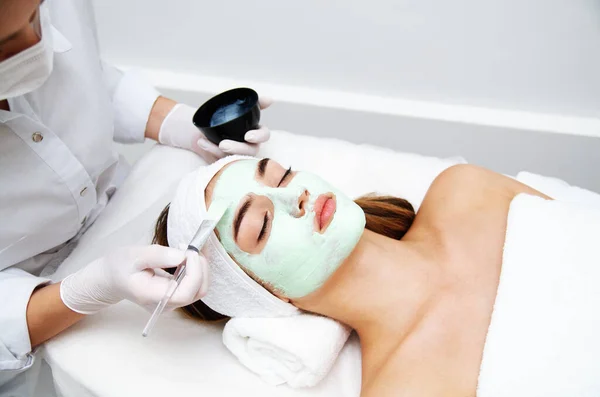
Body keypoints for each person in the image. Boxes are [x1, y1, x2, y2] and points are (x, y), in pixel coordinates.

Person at [153, 156, 600, 396]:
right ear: (266, 294)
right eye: (263, 224)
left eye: (281, 174)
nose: (299, 196)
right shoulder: (405, 389)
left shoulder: (467, 191)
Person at [0, 0, 272, 393]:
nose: (36, 40)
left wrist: (177, 122)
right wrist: (85, 291)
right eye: (4, 44)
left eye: (37, 11)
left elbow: (80, 73)